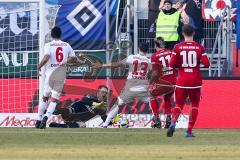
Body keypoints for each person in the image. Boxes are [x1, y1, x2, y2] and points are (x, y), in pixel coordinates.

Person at [94, 42, 160, 128]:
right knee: (153, 100)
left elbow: (116, 65)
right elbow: (154, 74)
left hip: (130, 89)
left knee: (117, 104)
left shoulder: (131, 57)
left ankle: (105, 124)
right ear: (147, 50)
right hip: (143, 89)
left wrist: (102, 65)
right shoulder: (149, 61)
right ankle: (156, 119)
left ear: (138, 49)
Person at [167, 24, 210, 137]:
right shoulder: (199, 47)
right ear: (194, 33)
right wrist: (197, 63)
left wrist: (180, 64)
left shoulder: (177, 47)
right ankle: (189, 131)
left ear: (182, 33)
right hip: (195, 81)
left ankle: (172, 124)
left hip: (182, 81)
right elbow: (207, 64)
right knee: (195, 105)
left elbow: (171, 64)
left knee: (178, 105)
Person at [35, 26, 77, 129]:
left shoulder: (48, 45)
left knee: (45, 98)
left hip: (50, 74)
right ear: (60, 35)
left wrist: (39, 66)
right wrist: (65, 62)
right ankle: (47, 116)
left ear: (52, 35)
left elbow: (47, 56)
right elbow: (74, 58)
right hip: (61, 74)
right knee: (54, 100)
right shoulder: (66, 45)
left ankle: (38, 119)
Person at [49, 85, 114, 128]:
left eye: (105, 93)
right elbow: (84, 100)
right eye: (102, 92)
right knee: (69, 110)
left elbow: (105, 119)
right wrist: (94, 104)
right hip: (71, 112)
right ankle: (51, 112)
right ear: (98, 92)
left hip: (77, 119)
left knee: (83, 125)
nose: (104, 94)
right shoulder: (91, 96)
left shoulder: (102, 107)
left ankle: (59, 125)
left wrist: (113, 122)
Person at [150, 37, 176, 128]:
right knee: (167, 98)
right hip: (173, 82)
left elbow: (155, 72)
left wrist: (151, 83)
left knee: (152, 95)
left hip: (163, 82)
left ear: (156, 46)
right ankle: (169, 119)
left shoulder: (154, 56)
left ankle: (157, 119)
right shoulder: (171, 52)